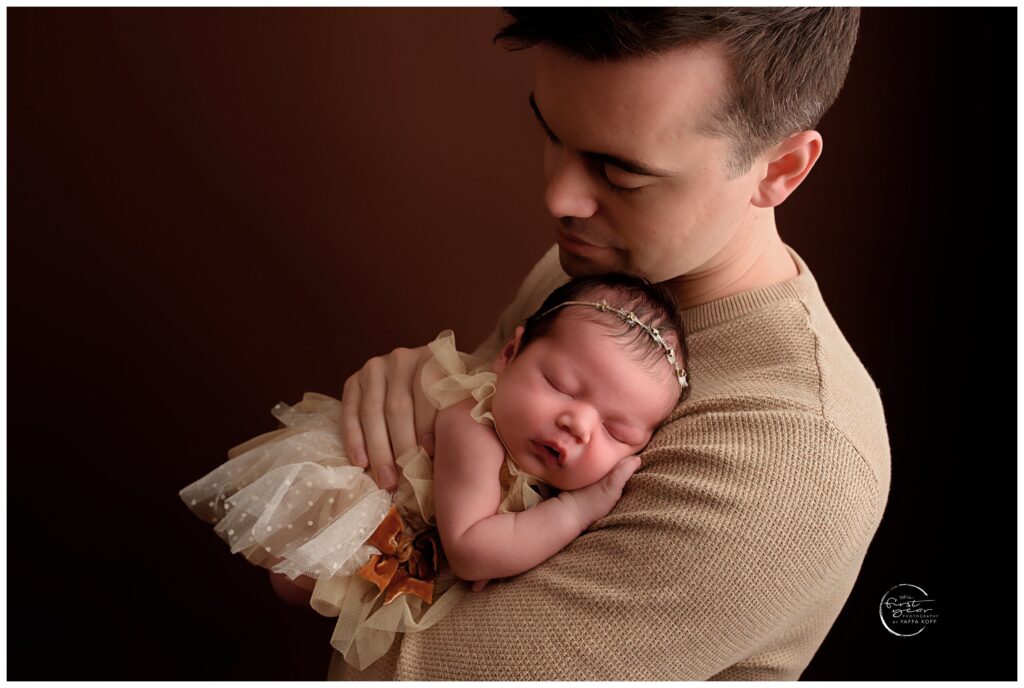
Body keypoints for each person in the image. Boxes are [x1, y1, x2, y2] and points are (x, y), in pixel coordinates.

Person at [305, 8, 890, 681]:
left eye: (622, 175)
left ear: (780, 169)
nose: (559, 197)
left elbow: (395, 671)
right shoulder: (604, 273)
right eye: (551, 134)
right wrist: (411, 405)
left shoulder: (791, 457)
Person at [181, 274, 689, 671]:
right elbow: (472, 551)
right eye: (560, 384)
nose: (577, 424)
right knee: (294, 579)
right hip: (350, 500)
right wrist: (578, 506)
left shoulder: (531, 441)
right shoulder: (474, 424)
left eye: (617, 431)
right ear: (507, 357)